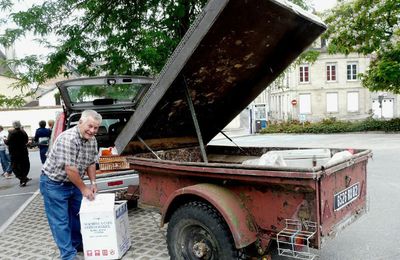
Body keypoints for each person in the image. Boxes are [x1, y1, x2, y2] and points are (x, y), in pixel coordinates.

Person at [40, 110, 101, 260]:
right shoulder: (68, 138)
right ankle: (68, 255)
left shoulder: (92, 139)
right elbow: (70, 169)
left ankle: (77, 243)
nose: (92, 131)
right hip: (54, 184)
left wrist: (93, 183)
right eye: (90, 126)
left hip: (73, 183)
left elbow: (91, 162)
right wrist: (84, 188)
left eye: (96, 128)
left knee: (77, 216)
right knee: (61, 221)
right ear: (80, 122)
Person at [6, 121, 30, 186]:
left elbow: (8, 142)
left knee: (15, 166)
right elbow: (26, 140)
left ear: (13, 126)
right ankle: (24, 178)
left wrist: (5, 140)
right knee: (24, 165)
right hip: (23, 151)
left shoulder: (11, 133)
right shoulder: (23, 132)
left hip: (14, 152)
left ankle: (22, 178)